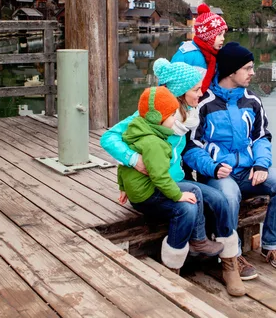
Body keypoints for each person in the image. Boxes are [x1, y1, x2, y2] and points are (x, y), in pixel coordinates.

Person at [101, 60, 245, 296]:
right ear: (180, 92)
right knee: (188, 208)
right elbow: (109, 138)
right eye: (196, 89)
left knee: (219, 199)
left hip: (175, 180)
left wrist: (212, 166)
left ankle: (230, 263)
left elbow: (193, 149)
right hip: (154, 185)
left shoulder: (191, 115)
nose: (202, 93)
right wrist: (133, 160)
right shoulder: (154, 114)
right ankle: (172, 270)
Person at [183, 42, 276, 281]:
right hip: (217, 174)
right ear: (231, 71)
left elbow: (262, 137)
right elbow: (191, 148)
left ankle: (270, 245)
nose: (253, 73)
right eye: (247, 68)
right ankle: (232, 255)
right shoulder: (204, 103)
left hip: (248, 170)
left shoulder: (252, 100)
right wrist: (212, 167)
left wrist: (261, 164)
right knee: (229, 195)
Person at [171, 3, 227, 92]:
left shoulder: (215, 56)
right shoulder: (187, 54)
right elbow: (170, 83)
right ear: (207, 36)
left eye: (224, 35)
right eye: (219, 34)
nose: (223, 39)